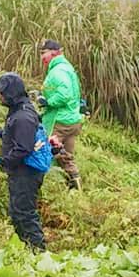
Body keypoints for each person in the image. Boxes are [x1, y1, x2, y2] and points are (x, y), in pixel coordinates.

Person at [0, 72, 47, 251]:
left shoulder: (23, 116)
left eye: (2, 93)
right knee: (16, 212)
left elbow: (23, 148)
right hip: (19, 172)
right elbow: (17, 133)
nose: (0, 97)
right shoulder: (18, 111)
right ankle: (27, 250)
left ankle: (40, 254)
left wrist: (3, 162)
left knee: (25, 214)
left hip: (26, 173)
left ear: (12, 93)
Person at [37, 39, 84, 190]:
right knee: (66, 158)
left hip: (60, 121)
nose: (42, 57)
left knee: (43, 152)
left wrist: (47, 101)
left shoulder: (58, 71)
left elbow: (65, 94)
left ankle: (43, 189)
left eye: (44, 53)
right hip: (72, 120)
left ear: (55, 52)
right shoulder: (66, 67)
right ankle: (75, 189)